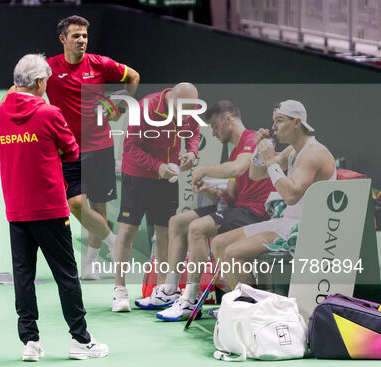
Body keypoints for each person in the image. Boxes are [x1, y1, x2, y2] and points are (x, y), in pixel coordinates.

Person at [0, 54, 108, 361]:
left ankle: (30, 342)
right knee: (67, 276)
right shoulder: (50, 113)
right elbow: (71, 151)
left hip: (17, 209)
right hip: (50, 210)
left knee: (23, 277)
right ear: (41, 82)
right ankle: (80, 340)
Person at [144, 101, 274, 321]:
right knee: (178, 221)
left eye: (214, 126)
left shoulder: (252, 139)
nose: (213, 133)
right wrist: (211, 190)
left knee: (197, 228)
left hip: (256, 212)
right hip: (240, 207)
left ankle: (190, 299)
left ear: (228, 120)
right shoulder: (235, 151)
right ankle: (169, 289)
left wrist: (203, 170)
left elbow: (238, 168)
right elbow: (232, 196)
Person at [46, 15, 140, 280]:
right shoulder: (50, 67)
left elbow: (133, 76)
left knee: (99, 206)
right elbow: (22, 88)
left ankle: (90, 264)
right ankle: (113, 243)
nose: (82, 41)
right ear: (63, 39)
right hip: (67, 148)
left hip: (100, 145)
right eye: (76, 36)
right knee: (75, 202)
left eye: (85, 36)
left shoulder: (100, 64)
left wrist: (120, 104)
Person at [211, 99, 336, 289]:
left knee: (232, 253)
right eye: (273, 121)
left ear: (297, 123)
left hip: (304, 229)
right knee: (219, 243)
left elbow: (291, 195)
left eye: (279, 120)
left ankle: (249, 308)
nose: (273, 127)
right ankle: (241, 300)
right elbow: (256, 174)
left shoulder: (314, 153)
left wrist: (269, 159)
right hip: (286, 222)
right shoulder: (292, 150)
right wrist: (259, 150)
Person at [111, 83, 200, 312]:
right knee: (128, 229)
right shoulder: (145, 108)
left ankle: (161, 290)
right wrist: (156, 166)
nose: (186, 116)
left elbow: (193, 132)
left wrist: (191, 151)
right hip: (139, 175)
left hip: (168, 177)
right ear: (172, 101)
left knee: (164, 232)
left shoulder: (187, 109)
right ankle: (119, 289)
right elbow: (130, 147)